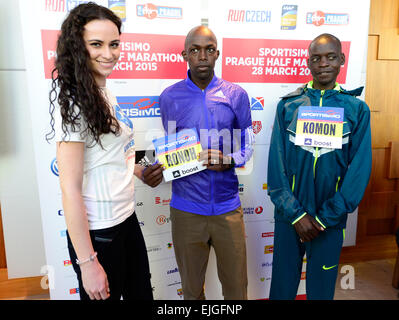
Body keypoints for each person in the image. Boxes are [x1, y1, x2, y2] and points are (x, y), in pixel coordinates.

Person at [47, 2, 163, 300]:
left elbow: (111, 154)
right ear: (77, 47)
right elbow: (69, 189)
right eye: (96, 44)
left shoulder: (103, 90)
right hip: (101, 232)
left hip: (125, 219)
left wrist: (139, 168)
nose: (108, 54)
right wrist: (88, 264)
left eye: (114, 44)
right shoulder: (75, 103)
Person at [267, 33, 372, 300]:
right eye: (316, 58)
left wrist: (327, 216)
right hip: (291, 216)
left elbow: (359, 169)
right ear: (308, 63)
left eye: (330, 57)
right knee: (282, 287)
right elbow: (275, 165)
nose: (323, 63)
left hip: (330, 219)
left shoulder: (356, 109)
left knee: (321, 291)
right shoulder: (289, 105)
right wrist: (296, 215)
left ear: (342, 60)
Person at [159, 25, 254, 300]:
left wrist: (229, 160)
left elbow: (248, 147)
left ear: (217, 54)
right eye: (195, 50)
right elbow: (172, 149)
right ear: (184, 55)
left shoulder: (236, 95)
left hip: (227, 208)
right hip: (186, 209)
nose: (202, 56)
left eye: (209, 50)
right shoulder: (169, 96)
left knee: (237, 288)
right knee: (191, 290)